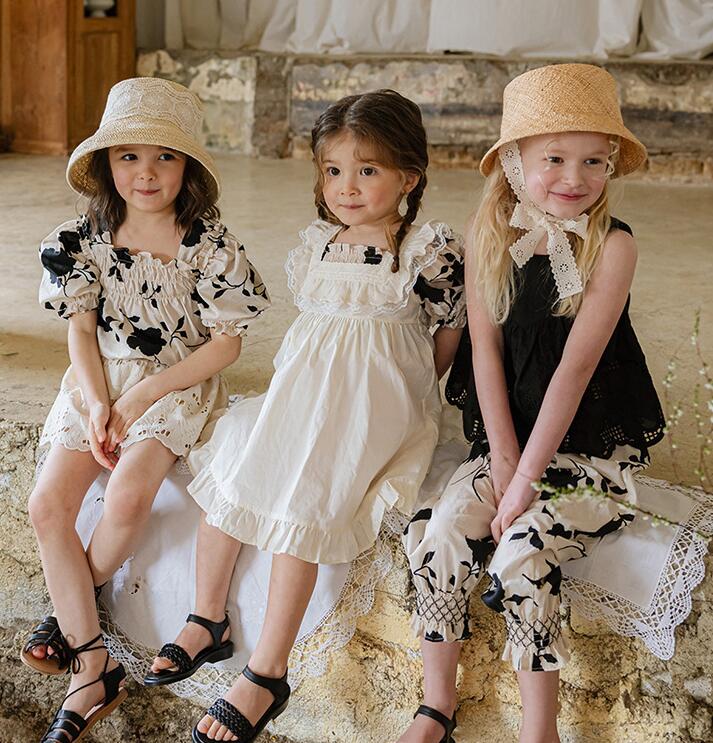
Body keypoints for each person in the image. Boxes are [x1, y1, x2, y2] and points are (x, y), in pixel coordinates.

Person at [147, 89, 466, 743]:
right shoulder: (320, 243)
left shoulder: (423, 249)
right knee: (233, 462)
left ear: (408, 177)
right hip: (304, 399)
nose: (346, 187)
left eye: (367, 170)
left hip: (377, 411)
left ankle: (266, 672)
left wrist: (410, 394)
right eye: (333, 170)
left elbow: (448, 332)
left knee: (305, 497)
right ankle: (207, 616)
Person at [400, 63, 668, 743]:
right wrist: (502, 462)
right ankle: (435, 706)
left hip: (586, 457)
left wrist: (522, 484)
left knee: (522, 548)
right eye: (553, 158)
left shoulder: (613, 245)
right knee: (441, 532)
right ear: (514, 162)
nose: (574, 178)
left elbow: (573, 372)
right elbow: (484, 354)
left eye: (593, 160)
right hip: (508, 443)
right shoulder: (487, 229)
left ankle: (538, 730)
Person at [23, 77, 270, 742]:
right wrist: (98, 401)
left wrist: (139, 398)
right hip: (97, 379)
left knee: (131, 494)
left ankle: (71, 624)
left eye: (164, 156)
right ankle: (93, 663)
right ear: (106, 163)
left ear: (188, 165)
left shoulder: (209, 245)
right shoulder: (79, 238)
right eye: (128, 156)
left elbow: (225, 344)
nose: (146, 172)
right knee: (46, 505)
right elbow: (80, 331)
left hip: (173, 384)